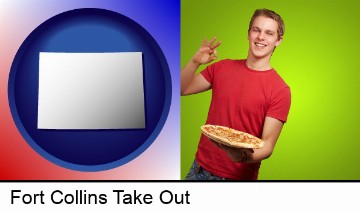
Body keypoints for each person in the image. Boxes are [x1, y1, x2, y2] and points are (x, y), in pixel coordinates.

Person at [181, 8, 291, 180]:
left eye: (269, 33)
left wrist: (241, 156)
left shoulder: (280, 90)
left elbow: (268, 145)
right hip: (199, 169)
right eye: (256, 30)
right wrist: (195, 61)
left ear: (278, 40)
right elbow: (182, 88)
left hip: (237, 178)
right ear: (248, 34)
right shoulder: (222, 67)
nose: (261, 37)